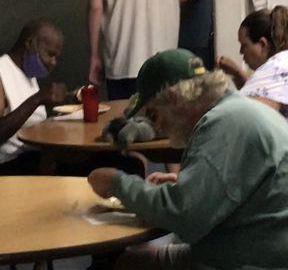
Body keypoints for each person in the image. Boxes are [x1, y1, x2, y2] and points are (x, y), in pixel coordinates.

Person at [88, 48, 288, 270]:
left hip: (254, 259)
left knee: (130, 263)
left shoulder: (222, 123)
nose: (158, 126)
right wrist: (182, 183)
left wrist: (117, 183)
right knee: (137, 258)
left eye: (154, 114)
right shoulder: (239, 110)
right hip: (262, 244)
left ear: (174, 98)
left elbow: (183, 216)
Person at [0, 19, 67, 174]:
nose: (53, 62)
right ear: (30, 43)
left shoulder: (28, 74)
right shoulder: (2, 71)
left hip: (36, 156)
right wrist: (37, 99)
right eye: (50, 54)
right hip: (12, 164)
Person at [217, 5, 288, 118]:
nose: (241, 52)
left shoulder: (279, 65)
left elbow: (243, 110)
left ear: (262, 44)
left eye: (244, 45)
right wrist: (237, 73)